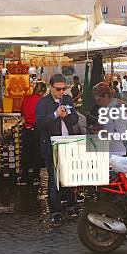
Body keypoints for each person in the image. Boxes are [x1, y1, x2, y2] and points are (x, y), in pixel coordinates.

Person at [35, 74, 79, 224]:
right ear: (50, 88)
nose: (61, 92)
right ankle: (55, 211)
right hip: (51, 145)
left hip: (68, 144)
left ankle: (71, 205)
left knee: (70, 177)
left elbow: (74, 120)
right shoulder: (42, 103)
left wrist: (65, 116)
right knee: (54, 180)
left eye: (63, 89)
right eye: (58, 89)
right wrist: (55, 114)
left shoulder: (67, 100)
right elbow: (40, 124)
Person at [19, 82, 47, 185]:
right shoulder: (42, 101)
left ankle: (24, 177)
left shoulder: (26, 98)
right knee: (37, 153)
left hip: (26, 128)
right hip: (37, 129)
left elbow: (21, 112)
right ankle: (36, 177)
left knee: (25, 152)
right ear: (43, 91)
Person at [92, 82, 127, 156]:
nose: (97, 103)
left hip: (117, 154)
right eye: (96, 101)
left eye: (99, 100)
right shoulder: (105, 108)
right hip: (107, 151)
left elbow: (122, 135)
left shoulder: (117, 110)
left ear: (106, 96)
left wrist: (103, 133)